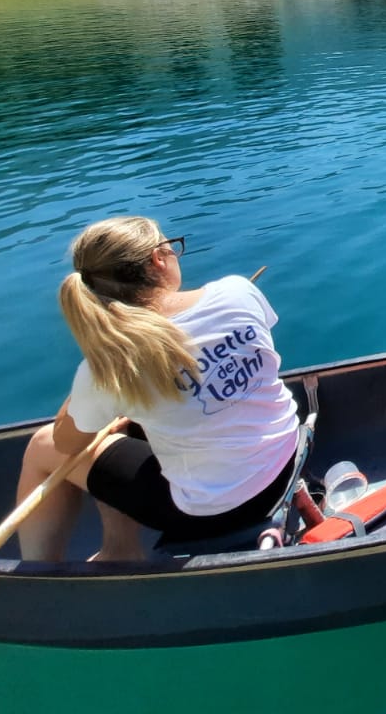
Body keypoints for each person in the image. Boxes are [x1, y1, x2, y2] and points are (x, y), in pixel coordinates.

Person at [16, 216, 300, 561]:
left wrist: (96, 374)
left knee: (42, 446)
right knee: (132, 424)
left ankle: (44, 571)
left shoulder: (114, 364)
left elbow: (66, 443)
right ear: (157, 258)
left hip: (218, 510)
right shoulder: (239, 291)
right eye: (172, 246)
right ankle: (118, 548)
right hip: (289, 458)